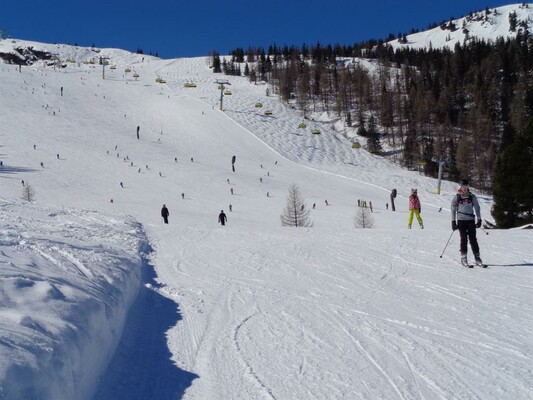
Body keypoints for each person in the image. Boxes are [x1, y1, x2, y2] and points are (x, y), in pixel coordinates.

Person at [451, 180, 482, 266]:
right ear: (460, 187)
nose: (464, 189)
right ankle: (463, 257)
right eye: (463, 187)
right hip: (461, 221)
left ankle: (477, 257)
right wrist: (453, 221)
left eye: (466, 187)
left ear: (468, 187)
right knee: (464, 238)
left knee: (473, 239)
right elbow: (453, 209)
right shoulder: (457, 197)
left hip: (470, 220)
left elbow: (477, 208)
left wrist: (479, 219)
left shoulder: (472, 196)